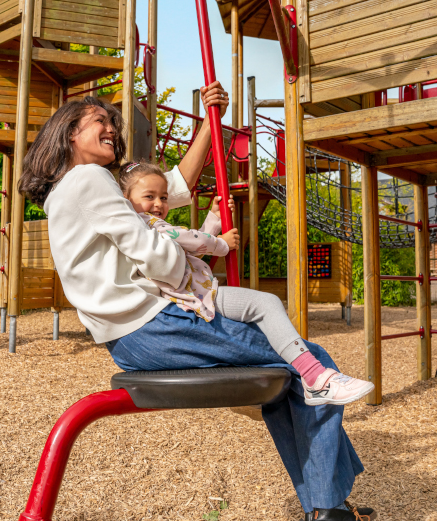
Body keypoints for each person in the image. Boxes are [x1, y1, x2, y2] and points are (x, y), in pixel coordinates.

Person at [18, 82, 376, 520]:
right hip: (156, 325)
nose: (112, 128)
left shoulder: (73, 189)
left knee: (285, 384)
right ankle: (329, 507)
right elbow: (150, 250)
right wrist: (193, 260)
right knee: (311, 360)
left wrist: (212, 122)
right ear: (71, 132)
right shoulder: (89, 179)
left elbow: (172, 187)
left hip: (130, 337)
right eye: (100, 121)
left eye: (114, 123)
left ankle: (328, 504)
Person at [117, 160, 375, 407]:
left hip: (200, 291)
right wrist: (221, 244)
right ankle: (315, 377)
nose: (159, 203)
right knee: (264, 307)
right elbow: (187, 238)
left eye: (163, 197)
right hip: (194, 297)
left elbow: (188, 247)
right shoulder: (144, 224)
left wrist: (215, 219)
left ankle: (311, 378)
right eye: (149, 196)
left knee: (266, 308)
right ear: (127, 199)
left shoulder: (150, 226)